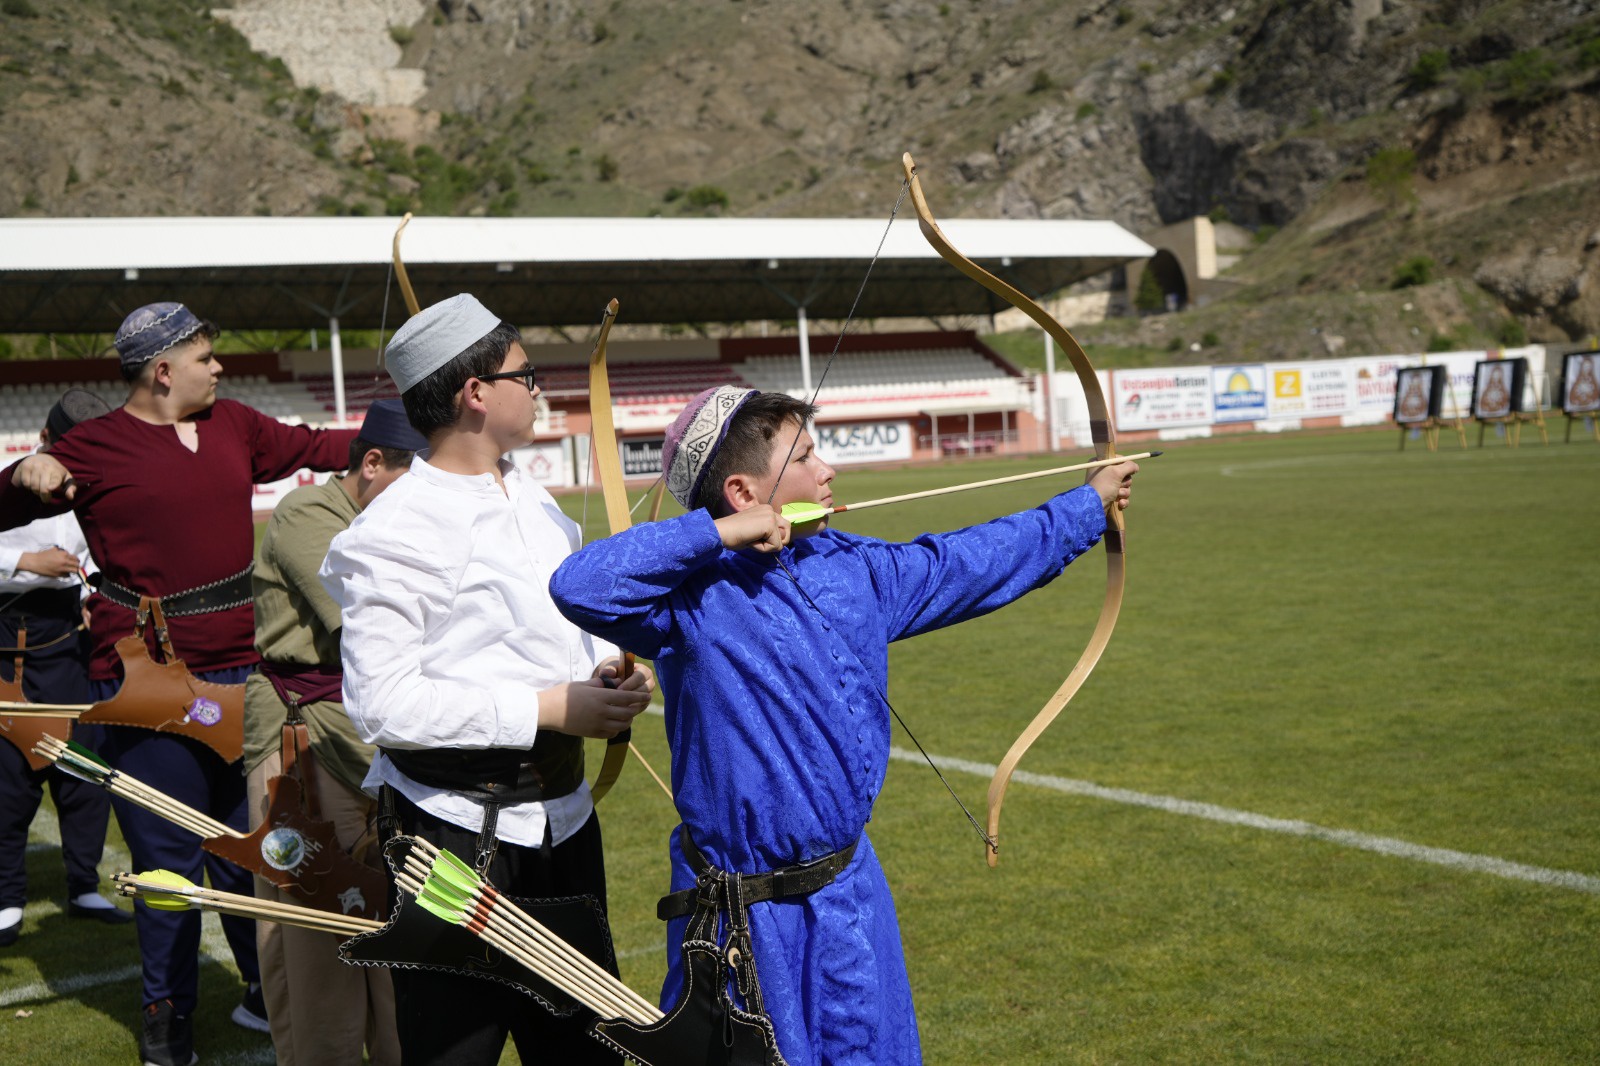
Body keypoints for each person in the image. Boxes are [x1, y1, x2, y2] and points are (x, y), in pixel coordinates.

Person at [547, 386, 1139, 1066]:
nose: (827, 470)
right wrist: (717, 535)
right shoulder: (691, 597)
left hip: (850, 897)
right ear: (743, 491)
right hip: (746, 920)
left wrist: (1085, 505)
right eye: (804, 456)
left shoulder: (851, 567)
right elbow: (579, 585)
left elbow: (967, 560)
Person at [0, 303, 359, 1066]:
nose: (219, 367)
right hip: (146, 684)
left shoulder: (235, 425)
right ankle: (167, 1021)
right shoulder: (90, 446)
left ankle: (265, 996)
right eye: (206, 356)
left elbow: (324, 444)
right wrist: (24, 474)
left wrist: (415, 429)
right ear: (164, 370)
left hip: (245, 678)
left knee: (253, 848)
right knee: (168, 865)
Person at [318, 294, 655, 1066]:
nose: (536, 388)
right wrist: (551, 706)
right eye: (524, 374)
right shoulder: (392, 531)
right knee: (454, 1048)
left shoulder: (532, 499)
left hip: (562, 826)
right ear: (474, 393)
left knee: (583, 1046)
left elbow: (556, 625)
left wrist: (600, 671)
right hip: (449, 838)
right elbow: (382, 702)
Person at [244, 399, 424, 1066]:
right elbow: (364, 621)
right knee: (318, 938)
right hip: (304, 742)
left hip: (379, 739)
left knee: (394, 927)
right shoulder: (307, 514)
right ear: (372, 464)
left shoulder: (400, 516)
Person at [0, 388, 129, 949]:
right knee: (9, 779)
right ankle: (6, 897)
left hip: (74, 644)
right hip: (12, 646)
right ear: (47, 442)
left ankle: (83, 884)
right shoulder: (9, 482)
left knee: (83, 770)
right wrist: (28, 562)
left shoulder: (96, 483)